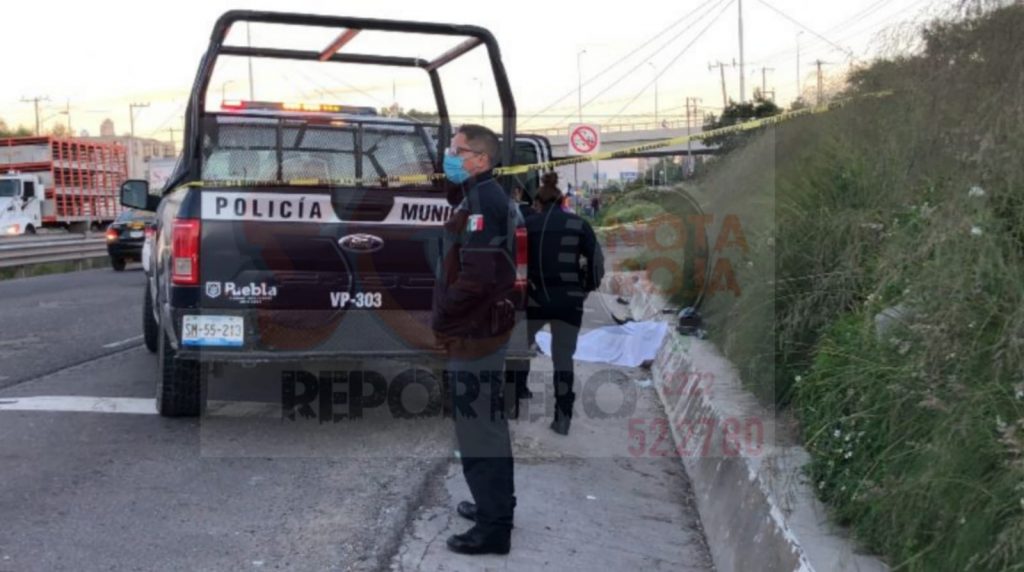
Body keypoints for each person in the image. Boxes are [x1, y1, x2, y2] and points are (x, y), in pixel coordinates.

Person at [431, 124, 520, 556]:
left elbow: (478, 277)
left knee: (478, 426)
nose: (449, 156)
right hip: (481, 327)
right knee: (485, 419)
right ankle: (494, 505)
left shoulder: (485, 200)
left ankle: (494, 528)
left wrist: (445, 316)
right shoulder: (477, 195)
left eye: (457, 150)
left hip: (475, 331)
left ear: (480, 159)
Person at [522, 179, 605, 435]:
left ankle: (513, 398)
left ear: (538, 203)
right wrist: (586, 288)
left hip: (533, 298)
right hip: (569, 300)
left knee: (518, 348)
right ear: (562, 202)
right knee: (562, 357)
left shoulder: (527, 225)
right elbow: (596, 262)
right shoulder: (579, 224)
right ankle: (562, 416)